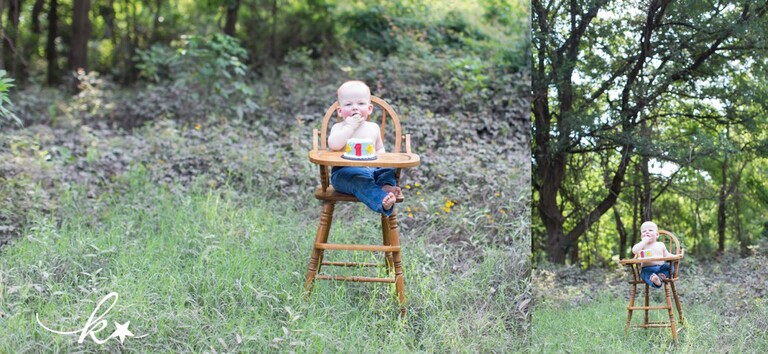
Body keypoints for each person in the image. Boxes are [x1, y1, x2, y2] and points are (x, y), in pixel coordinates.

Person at [327, 81, 400, 215]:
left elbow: (380, 151)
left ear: (369, 109)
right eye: (348, 104)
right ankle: (382, 199)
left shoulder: (373, 127)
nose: (355, 108)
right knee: (360, 182)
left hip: (371, 169)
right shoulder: (339, 128)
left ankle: (385, 185)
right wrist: (350, 127)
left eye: (360, 103)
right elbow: (334, 145)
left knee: (390, 168)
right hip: (345, 173)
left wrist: (383, 162)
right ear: (340, 111)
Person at [632, 221, 673, 288]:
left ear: (657, 235)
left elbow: (667, 255)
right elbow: (634, 250)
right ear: (641, 236)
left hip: (660, 268)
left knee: (669, 266)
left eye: (650, 230)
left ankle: (659, 277)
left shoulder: (660, 244)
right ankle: (656, 281)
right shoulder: (642, 245)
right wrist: (643, 241)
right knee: (645, 274)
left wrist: (676, 256)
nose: (647, 232)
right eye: (644, 231)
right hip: (647, 269)